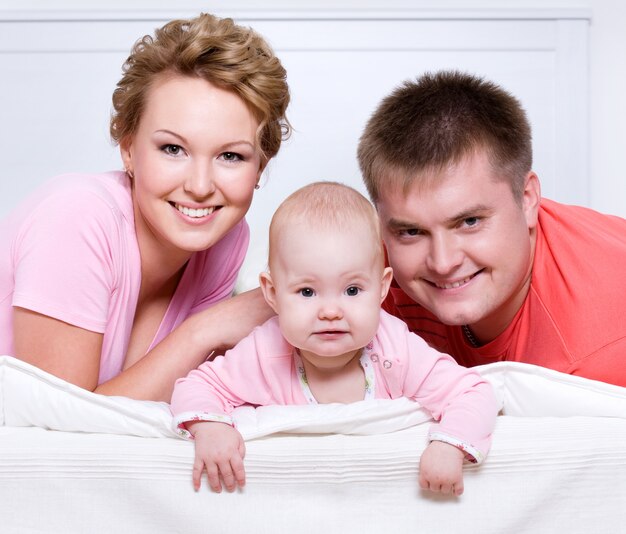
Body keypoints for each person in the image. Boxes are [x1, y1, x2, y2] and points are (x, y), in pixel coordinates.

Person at [0, 13, 290, 401]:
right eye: (173, 149)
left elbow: (155, 395)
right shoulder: (76, 217)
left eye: (231, 156)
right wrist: (207, 328)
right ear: (128, 149)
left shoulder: (226, 238)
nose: (200, 187)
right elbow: (62, 422)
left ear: (260, 167)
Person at [170, 182, 497, 496]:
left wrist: (450, 443)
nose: (330, 311)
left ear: (381, 288)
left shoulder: (394, 348)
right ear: (272, 293)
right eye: (307, 291)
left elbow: (472, 392)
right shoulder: (265, 352)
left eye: (352, 290)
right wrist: (211, 428)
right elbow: (197, 386)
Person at [357, 70, 626, 387]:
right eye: (411, 232)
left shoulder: (601, 351)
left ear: (527, 200)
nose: (443, 263)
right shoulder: (365, 273)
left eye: (469, 222)